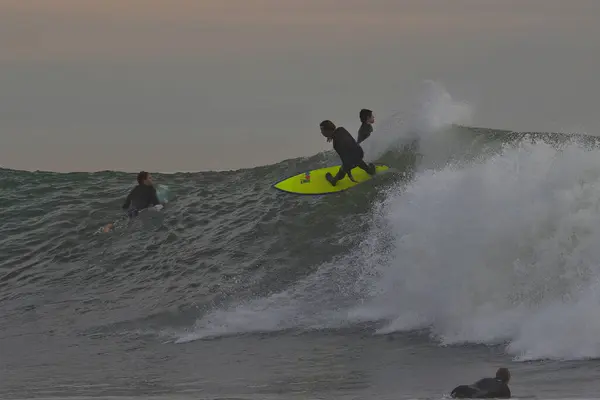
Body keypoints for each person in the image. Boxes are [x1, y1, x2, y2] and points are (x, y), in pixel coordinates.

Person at [319, 120, 376, 186]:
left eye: (322, 130)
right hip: (360, 153)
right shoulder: (341, 129)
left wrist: (348, 171)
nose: (321, 132)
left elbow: (344, 158)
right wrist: (331, 136)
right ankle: (370, 170)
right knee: (356, 159)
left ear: (327, 131)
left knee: (343, 169)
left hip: (352, 159)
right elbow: (347, 141)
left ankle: (334, 181)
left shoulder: (336, 143)